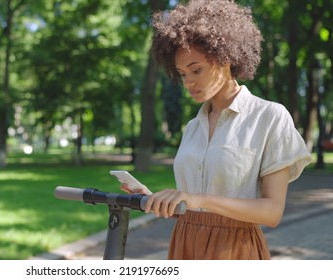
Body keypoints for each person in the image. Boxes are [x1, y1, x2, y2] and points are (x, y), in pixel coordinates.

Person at [120, 0, 312, 260]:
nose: (188, 82)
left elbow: (271, 212)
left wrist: (200, 199)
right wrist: (156, 199)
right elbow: (192, 206)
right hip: (185, 244)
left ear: (225, 58)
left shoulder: (269, 116)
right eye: (181, 73)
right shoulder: (192, 128)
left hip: (234, 250)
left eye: (196, 70)